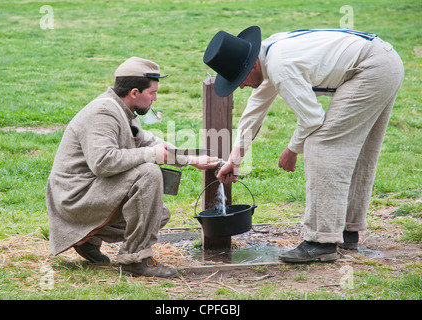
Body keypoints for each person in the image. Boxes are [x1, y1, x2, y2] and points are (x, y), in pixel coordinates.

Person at [203, 26, 404, 262]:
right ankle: (346, 230)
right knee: (357, 148)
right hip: (384, 61)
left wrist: (292, 150)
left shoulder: (280, 66)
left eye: (239, 79)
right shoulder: (268, 52)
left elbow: (312, 119)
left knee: (321, 144)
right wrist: (234, 160)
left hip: (371, 68)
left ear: (252, 65)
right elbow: (254, 109)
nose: (241, 86)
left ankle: (321, 242)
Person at [46, 57, 218, 277]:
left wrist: (191, 160)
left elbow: (149, 141)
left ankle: (88, 237)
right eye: (152, 93)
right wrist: (151, 156)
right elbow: (102, 162)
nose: (155, 98)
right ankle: (135, 259)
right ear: (134, 92)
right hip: (74, 198)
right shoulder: (103, 113)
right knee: (148, 173)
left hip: (89, 192)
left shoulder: (123, 110)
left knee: (159, 214)